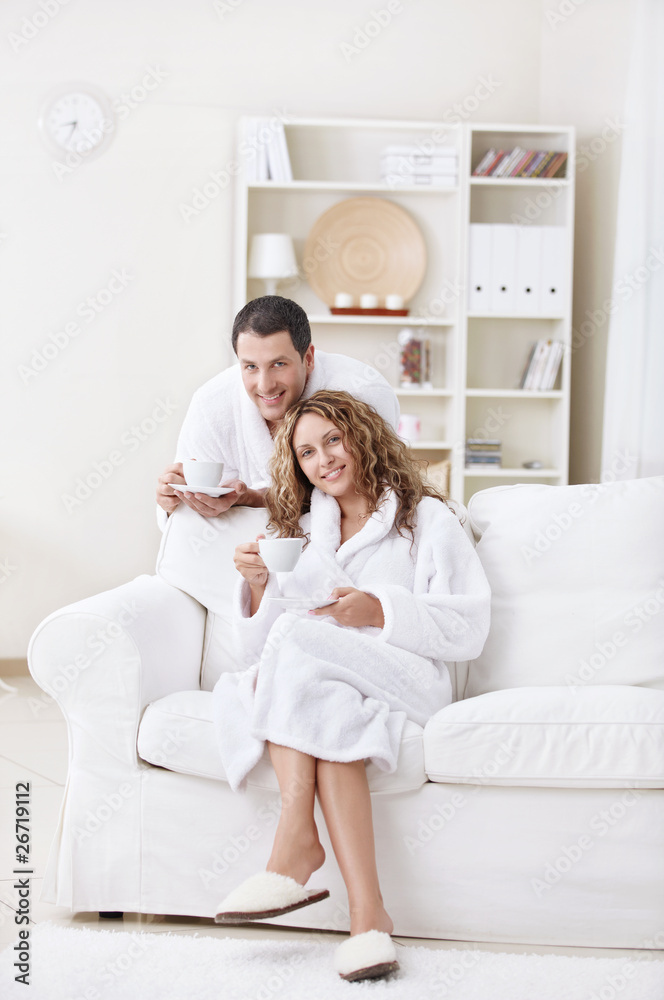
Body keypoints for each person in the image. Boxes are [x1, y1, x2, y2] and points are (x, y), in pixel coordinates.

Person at [211, 390, 491, 983]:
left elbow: (468, 626)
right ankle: (368, 919)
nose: (324, 460)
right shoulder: (303, 533)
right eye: (307, 452)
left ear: (362, 437)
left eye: (333, 440)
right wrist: (259, 586)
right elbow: (263, 655)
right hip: (331, 681)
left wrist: (380, 611)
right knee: (329, 706)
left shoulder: (426, 519)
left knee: (298, 641)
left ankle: (295, 839)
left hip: (408, 677)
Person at [155, 295, 400, 524]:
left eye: (279, 364)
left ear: (308, 358)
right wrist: (172, 503)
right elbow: (184, 520)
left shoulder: (363, 392)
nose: (265, 385)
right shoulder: (211, 406)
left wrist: (257, 500)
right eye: (251, 367)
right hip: (239, 545)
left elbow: (370, 495)